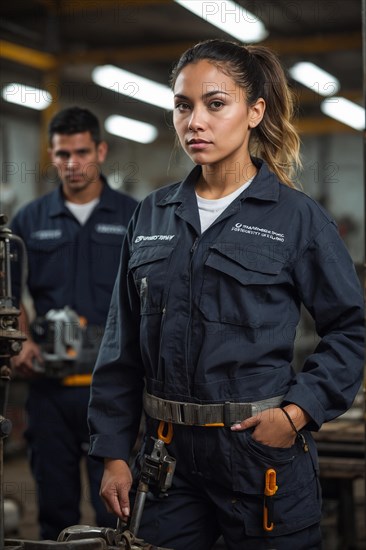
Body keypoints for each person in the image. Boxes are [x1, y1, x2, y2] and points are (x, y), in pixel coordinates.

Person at [87, 40, 364, 550]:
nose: (195, 121)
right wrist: (112, 453)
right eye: (182, 105)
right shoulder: (150, 216)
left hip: (258, 456)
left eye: (216, 104)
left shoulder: (296, 219)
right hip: (164, 463)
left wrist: (296, 413)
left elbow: (351, 329)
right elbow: (120, 344)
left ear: (255, 111)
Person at [10, 106, 138, 540]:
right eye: (63, 154)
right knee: (55, 511)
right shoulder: (30, 219)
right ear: (51, 155)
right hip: (49, 391)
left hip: (115, 394)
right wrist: (22, 339)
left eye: (82, 152)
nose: (72, 163)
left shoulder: (136, 217)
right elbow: (10, 294)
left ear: (100, 151)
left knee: (118, 516)